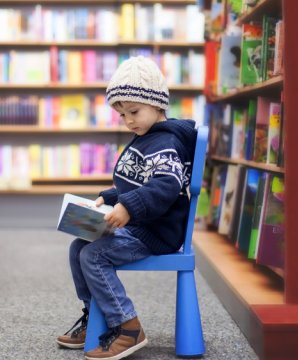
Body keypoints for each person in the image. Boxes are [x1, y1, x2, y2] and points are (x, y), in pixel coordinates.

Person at [56, 56, 198, 360]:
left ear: (158, 104)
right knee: (77, 246)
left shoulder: (165, 142)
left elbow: (165, 186)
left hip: (154, 231)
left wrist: (128, 207)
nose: (128, 120)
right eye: (122, 115)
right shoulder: (144, 138)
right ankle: (95, 314)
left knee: (93, 255)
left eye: (134, 111)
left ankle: (128, 326)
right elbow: (133, 183)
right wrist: (108, 199)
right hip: (138, 223)